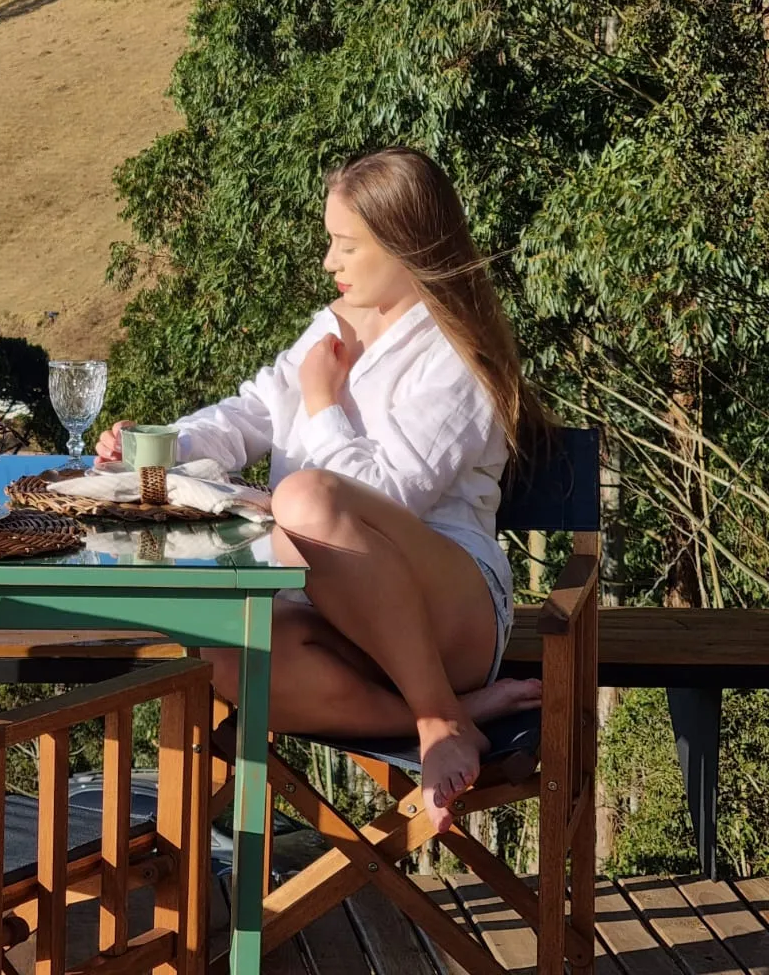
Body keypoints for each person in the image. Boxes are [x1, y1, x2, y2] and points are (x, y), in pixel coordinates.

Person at [97, 146, 548, 833]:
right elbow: (251, 413)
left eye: (346, 245)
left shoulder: (455, 355)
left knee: (304, 500)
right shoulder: (333, 326)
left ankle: (435, 716)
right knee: (221, 655)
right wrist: (161, 449)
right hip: (328, 609)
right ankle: (455, 716)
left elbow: (391, 494)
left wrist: (322, 401)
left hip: (449, 615)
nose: (329, 261)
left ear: (404, 245)